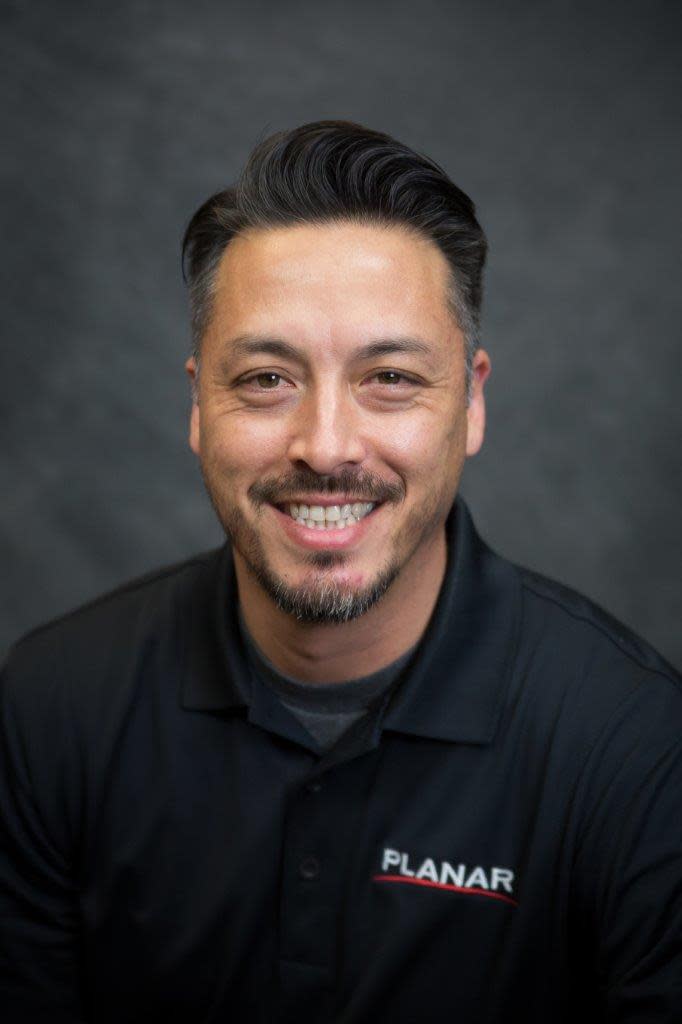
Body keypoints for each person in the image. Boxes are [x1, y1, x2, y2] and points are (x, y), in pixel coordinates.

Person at [1, 120, 680, 1024]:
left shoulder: (636, 746)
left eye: (390, 377)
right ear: (198, 405)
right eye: (265, 380)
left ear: (471, 403)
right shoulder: (52, 706)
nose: (325, 447)